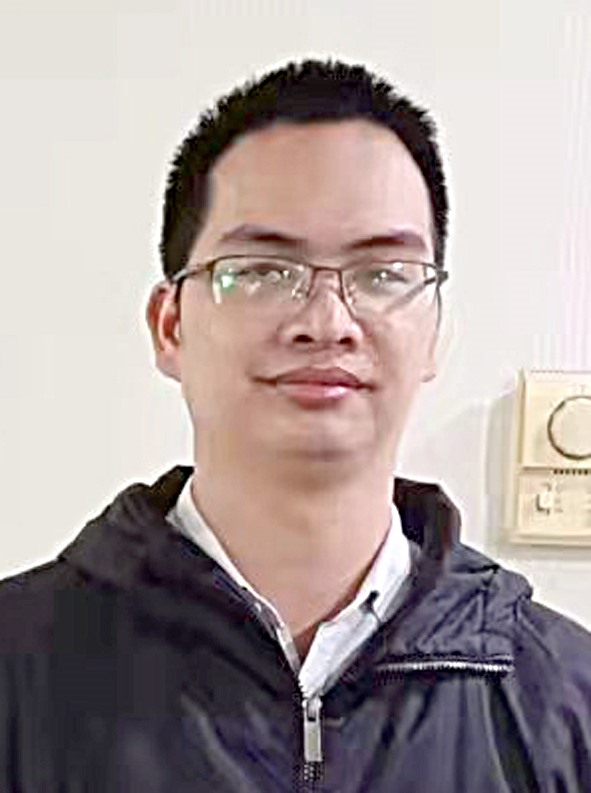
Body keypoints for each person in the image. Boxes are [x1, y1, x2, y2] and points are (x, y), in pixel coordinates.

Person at [0, 58, 590, 793]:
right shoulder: (19, 668)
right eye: (263, 270)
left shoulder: (566, 703)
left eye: (383, 274)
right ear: (170, 325)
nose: (327, 321)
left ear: (435, 330)